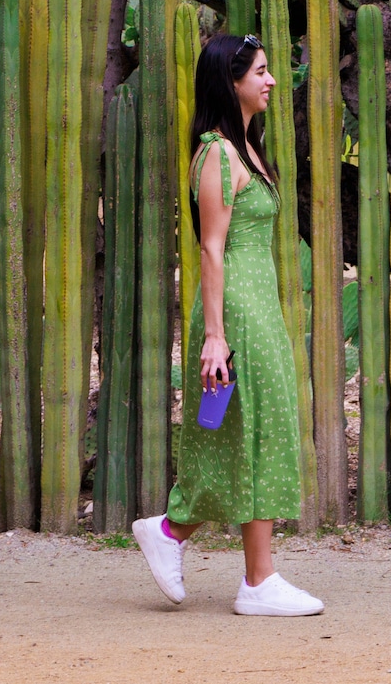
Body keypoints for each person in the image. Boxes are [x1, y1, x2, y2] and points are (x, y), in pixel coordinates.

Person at [132, 33, 320, 617]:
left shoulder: (247, 148)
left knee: (253, 429)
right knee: (254, 428)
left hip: (258, 304)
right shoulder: (216, 152)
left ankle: (173, 532)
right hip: (234, 307)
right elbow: (211, 249)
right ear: (230, 80)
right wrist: (215, 336)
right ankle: (256, 579)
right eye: (260, 72)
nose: (270, 81)